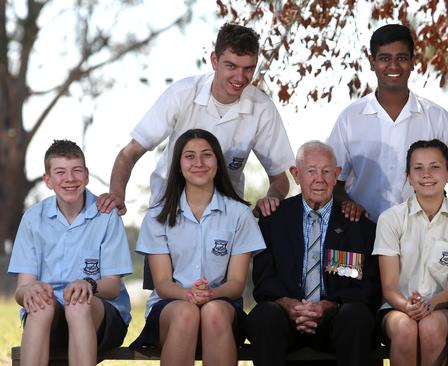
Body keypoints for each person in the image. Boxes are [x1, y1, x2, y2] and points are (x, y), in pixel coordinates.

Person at [327, 23, 448, 222]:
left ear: (413, 62)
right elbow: (331, 181)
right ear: (372, 62)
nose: (394, 66)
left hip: (420, 239)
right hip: (361, 235)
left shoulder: (435, 116)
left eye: (402, 58)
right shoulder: (350, 118)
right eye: (385, 58)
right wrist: (346, 202)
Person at [97, 23, 294, 217]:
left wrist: (271, 199)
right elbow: (130, 153)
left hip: (226, 216)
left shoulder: (262, 108)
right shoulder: (182, 94)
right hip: (169, 208)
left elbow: (279, 179)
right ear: (214, 60)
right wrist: (116, 195)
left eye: (248, 68)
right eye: (231, 66)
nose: (240, 77)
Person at [130, 129, 265, 365]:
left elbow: (235, 284)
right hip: (170, 307)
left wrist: (210, 295)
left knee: (212, 311)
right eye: (189, 156)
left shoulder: (239, 214)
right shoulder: (157, 217)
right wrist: (189, 295)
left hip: (222, 305)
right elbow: (162, 284)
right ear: (178, 165)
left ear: (218, 162)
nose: (199, 163)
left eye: (207, 155)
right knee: (186, 313)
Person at [246, 141, 381, 366]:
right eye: (311, 171)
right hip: (287, 319)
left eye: (327, 171)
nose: (319, 179)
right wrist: (290, 305)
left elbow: (368, 286)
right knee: (263, 316)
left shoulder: (358, 224)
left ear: (337, 174)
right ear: (296, 174)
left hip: (337, 320)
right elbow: (263, 280)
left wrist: (328, 306)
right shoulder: (274, 220)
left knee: (356, 317)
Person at [8, 140, 132, 366]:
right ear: (48, 180)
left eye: (76, 170)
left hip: (100, 315)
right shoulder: (32, 219)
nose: (70, 179)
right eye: (60, 172)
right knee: (39, 304)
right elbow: (20, 291)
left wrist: (89, 285)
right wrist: (30, 291)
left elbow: (113, 288)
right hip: (50, 320)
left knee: (78, 302)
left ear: (86, 175)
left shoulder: (106, 215)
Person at [373, 139, 448, 366]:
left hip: (446, 311)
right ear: (408, 177)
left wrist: (428, 305)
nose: (426, 174)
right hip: (396, 309)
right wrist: (407, 307)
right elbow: (390, 286)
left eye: (435, 167)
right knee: (405, 329)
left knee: (430, 326)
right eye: (418, 168)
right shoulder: (390, 219)